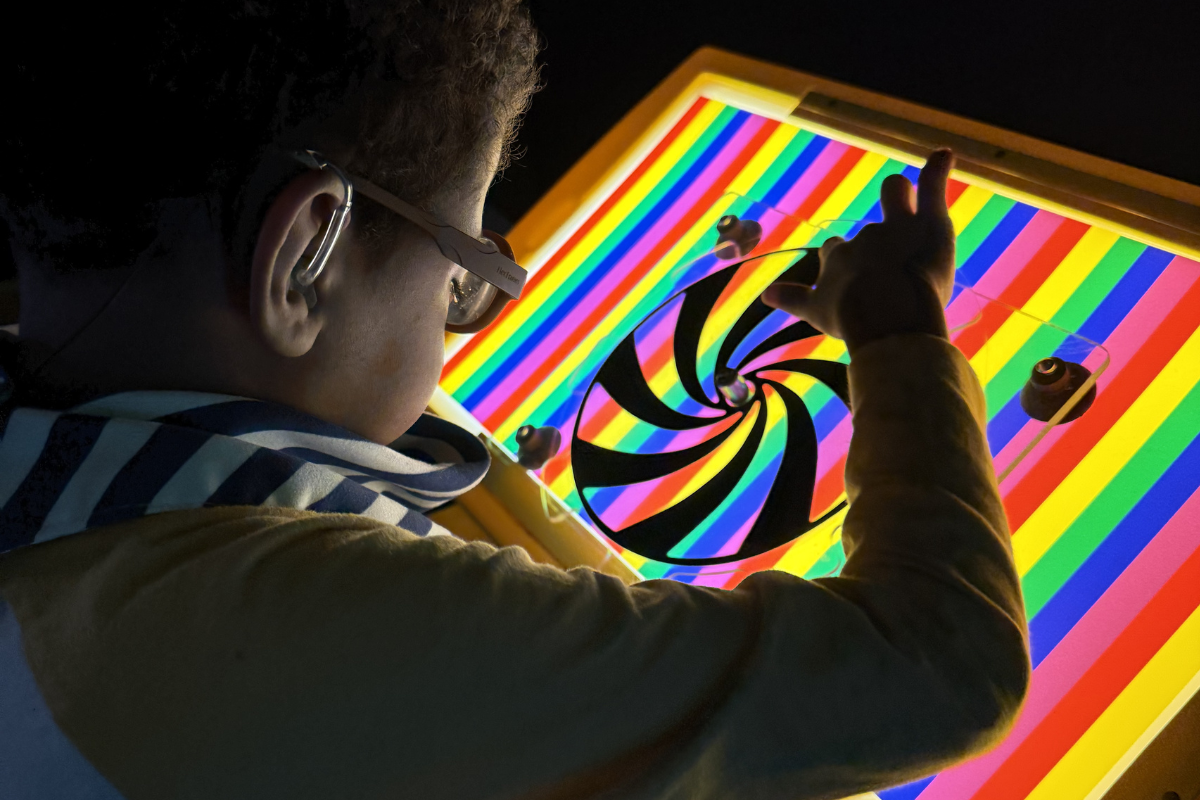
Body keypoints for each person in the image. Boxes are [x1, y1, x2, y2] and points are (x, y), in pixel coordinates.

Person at [0, 2, 1029, 798]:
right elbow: (937, 663)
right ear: (303, 256)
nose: (463, 314)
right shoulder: (323, 624)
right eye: (460, 270)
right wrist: (899, 334)